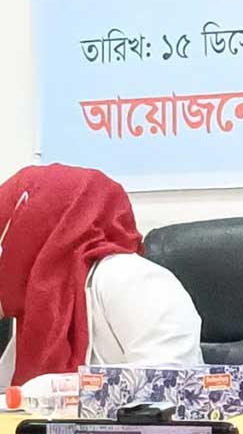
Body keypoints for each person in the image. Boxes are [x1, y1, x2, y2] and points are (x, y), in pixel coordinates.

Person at [0, 164, 202, 387]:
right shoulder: (43, 307)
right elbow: (9, 395)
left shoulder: (132, 280)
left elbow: (168, 387)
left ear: (28, 235)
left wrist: (54, 390)